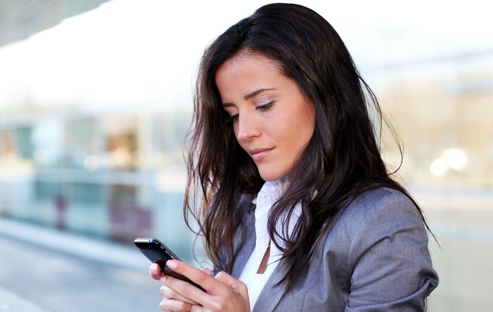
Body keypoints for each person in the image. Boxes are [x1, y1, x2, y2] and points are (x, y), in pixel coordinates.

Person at [150, 3, 439, 311]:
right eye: (232, 115)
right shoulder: (245, 210)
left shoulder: (380, 220)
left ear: (323, 95)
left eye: (263, 105)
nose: (243, 132)